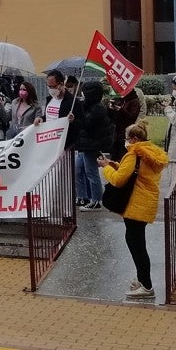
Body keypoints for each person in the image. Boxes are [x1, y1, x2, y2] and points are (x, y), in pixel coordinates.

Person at [98, 119, 167, 300]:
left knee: (136, 245)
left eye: (127, 138)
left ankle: (146, 285)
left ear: (134, 139)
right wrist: (115, 165)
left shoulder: (133, 154)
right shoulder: (150, 153)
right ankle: (142, 278)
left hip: (135, 204)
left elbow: (119, 180)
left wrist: (106, 169)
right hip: (145, 203)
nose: (125, 141)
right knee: (137, 242)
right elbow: (135, 173)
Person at [70, 81, 113, 211]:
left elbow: (86, 123)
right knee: (78, 170)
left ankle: (96, 200)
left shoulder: (97, 109)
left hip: (92, 145)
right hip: (85, 144)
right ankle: (83, 196)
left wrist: (75, 119)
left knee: (91, 173)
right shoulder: (89, 106)